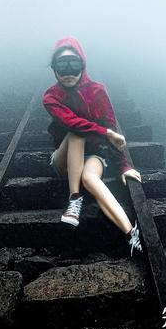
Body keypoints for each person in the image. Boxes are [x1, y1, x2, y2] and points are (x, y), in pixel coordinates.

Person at [42, 35, 144, 256]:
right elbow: (73, 123)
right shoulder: (51, 96)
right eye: (62, 65)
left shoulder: (98, 90)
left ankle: (130, 234)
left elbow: (112, 128)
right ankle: (74, 199)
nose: (68, 71)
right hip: (64, 159)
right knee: (75, 132)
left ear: (83, 65)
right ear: (54, 68)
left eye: (74, 64)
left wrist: (124, 166)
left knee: (91, 178)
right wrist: (106, 133)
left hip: (93, 156)